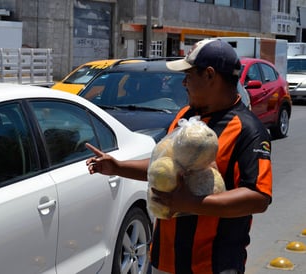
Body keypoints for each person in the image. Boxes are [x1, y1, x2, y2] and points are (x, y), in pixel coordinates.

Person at [85, 39, 272, 274]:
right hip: (164, 261)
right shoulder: (186, 116)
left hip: (213, 266)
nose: (184, 82)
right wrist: (118, 167)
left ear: (210, 75)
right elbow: (165, 168)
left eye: (189, 75)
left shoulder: (248, 130)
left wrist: (192, 204)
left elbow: (258, 197)